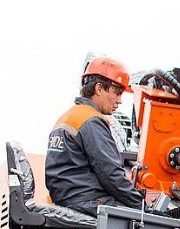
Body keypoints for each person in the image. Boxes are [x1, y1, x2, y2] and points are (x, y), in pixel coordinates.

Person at [46, 56, 143, 216]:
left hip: (71, 198)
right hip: (87, 200)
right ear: (99, 89)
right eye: (117, 93)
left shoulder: (69, 116)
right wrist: (143, 208)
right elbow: (111, 174)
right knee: (143, 223)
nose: (119, 101)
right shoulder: (91, 120)